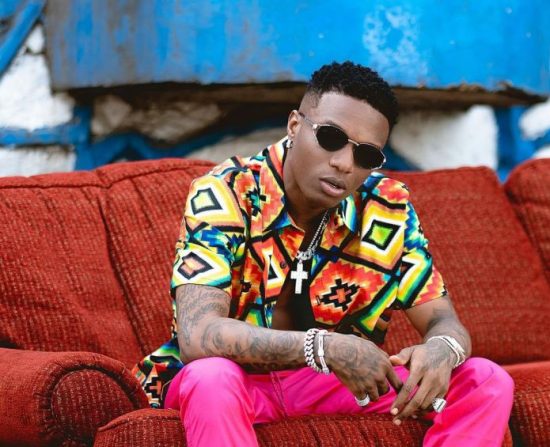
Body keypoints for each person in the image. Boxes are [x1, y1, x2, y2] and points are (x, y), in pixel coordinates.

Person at [133, 61, 514, 446]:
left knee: (485, 380)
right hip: (238, 382)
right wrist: (324, 347)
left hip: (328, 385)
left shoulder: (386, 210)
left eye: (367, 155)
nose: (344, 164)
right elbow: (198, 336)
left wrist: (443, 349)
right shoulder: (227, 192)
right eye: (331, 137)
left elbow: (442, 320)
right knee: (211, 377)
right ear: (294, 125)